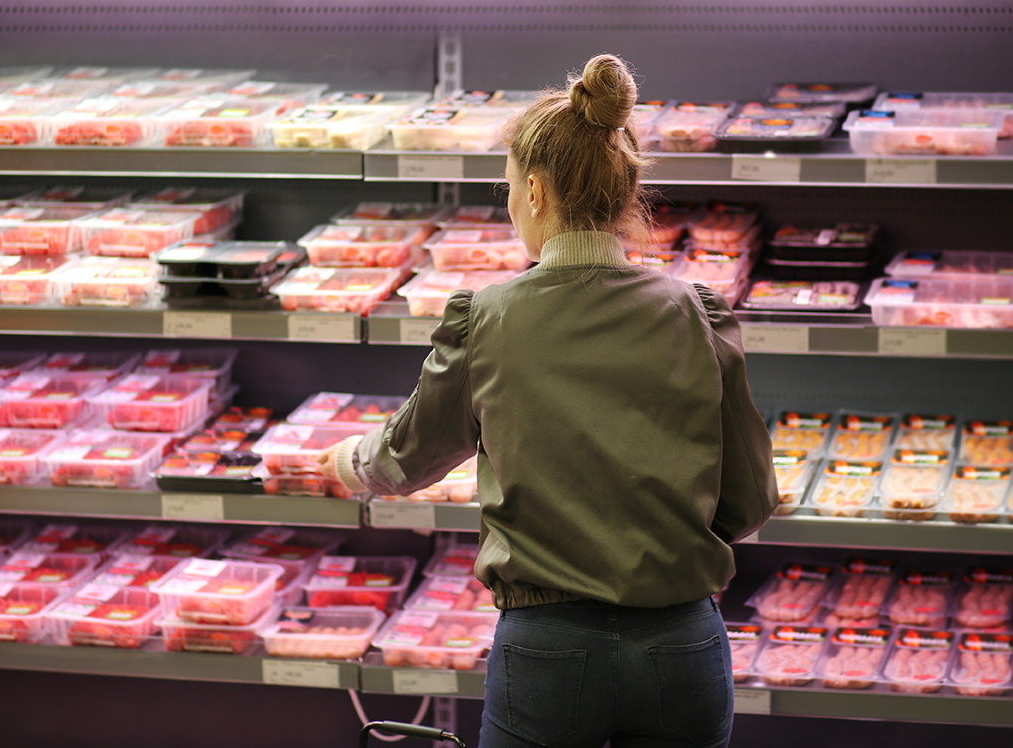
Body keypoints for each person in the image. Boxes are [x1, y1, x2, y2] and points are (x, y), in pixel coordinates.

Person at [316, 53, 777, 748]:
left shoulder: (489, 317)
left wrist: (347, 460)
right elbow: (747, 500)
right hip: (681, 647)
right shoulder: (696, 312)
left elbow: (406, 460)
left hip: (547, 651)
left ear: (534, 191)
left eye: (506, 188)